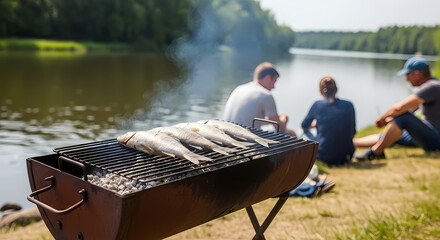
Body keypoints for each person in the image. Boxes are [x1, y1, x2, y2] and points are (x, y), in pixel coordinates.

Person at [354, 56, 440, 160]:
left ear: (417, 74)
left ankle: (376, 152)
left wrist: (382, 118)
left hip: (436, 140)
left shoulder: (431, 86)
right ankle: (352, 143)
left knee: (402, 117)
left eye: (408, 75)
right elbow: (411, 108)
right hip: (430, 134)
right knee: (391, 134)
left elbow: (399, 108)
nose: (406, 79)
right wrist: (392, 119)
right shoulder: (433, 85)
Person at [223, 62, 296, 136]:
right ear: (267, 78)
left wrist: (272, 120)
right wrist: (284, 118)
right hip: (246, 138)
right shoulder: (265, 95)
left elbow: (247, 120)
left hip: (227, 134)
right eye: (274, 81)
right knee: (291, 133)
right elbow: (280, 128)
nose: (274, 87)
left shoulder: (239, 88)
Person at [301, 76, 356, 166]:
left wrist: (314, 125)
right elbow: (353, 131)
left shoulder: (318, 104)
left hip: (324, 157)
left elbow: (304, 125)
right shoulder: (349, 105)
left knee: (302, 132)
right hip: (346, 156)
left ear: (320, 91)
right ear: (336, 90)